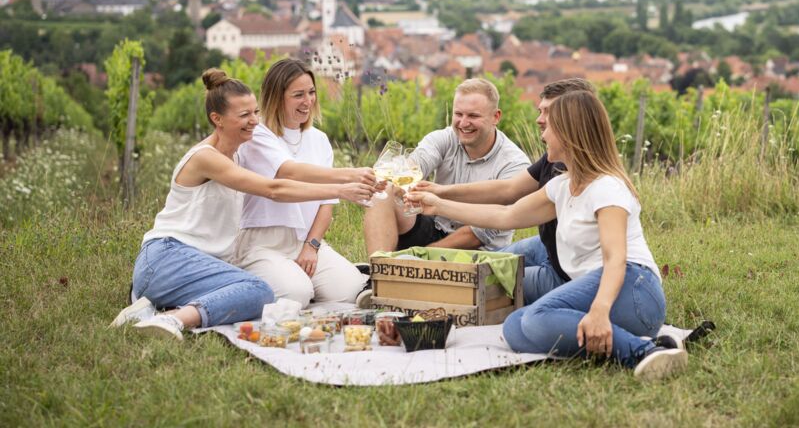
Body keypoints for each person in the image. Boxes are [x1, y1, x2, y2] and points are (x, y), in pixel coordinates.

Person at [407, 91, 687, 380]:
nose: (543, 135)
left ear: (569, 134)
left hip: (633, 291)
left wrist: (600, 310)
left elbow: (616, 258)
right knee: (516, 328)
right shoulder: (563, 186)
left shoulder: (607, 188)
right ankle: (636, 342)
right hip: (603, 292)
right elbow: (506, 215)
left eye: (550, 127)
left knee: (534, 319)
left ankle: (642, 351)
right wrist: (439, 204)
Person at [111, 69, 373, 340]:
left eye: (256, 113)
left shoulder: (237, 156)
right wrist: (343, 188)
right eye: (244, 115)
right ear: (217, 119)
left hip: (204, 262)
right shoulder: (206, 158)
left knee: (257, 292)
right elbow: (274, 188)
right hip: (168, 256)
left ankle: (147, 311)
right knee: (259, 291)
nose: (254, 122)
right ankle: (171, 320)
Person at [413, 78, 595, 304]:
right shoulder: (553, 160)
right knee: (484, 271)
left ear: (573, 115)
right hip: (550, 248)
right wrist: (442, 191)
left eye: (547, 112)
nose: (538, 120)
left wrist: (439, 205)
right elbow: (508, 189)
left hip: (567, 271)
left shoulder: (570, 177)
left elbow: (506, 215)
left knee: (478, 286)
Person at [229, 58, 381, 307]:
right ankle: (247, 276)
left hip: (304, 242)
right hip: (263, 243)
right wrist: (350, 176)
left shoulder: (319, 140)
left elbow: (326, 204)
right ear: (277, 97)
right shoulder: (257, 134)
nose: (308, 101)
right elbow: (289, 172)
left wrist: (312, 246)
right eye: (298, 95)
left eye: (311, 93)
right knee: (297, 293)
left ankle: (304, 276)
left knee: (352, 291)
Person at [363, 78, 530, 254]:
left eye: (473, 116)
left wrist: (423, 255)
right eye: (458, 114)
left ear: (495, 117)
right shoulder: (443, 138)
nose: (464, 123)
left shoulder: (514, 165)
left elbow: (477, 235)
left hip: (479, 253)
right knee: (384, 191)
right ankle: (379, 272)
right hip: (435, 228)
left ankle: (405, 267)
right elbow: (415, 164)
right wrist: (395, 180)